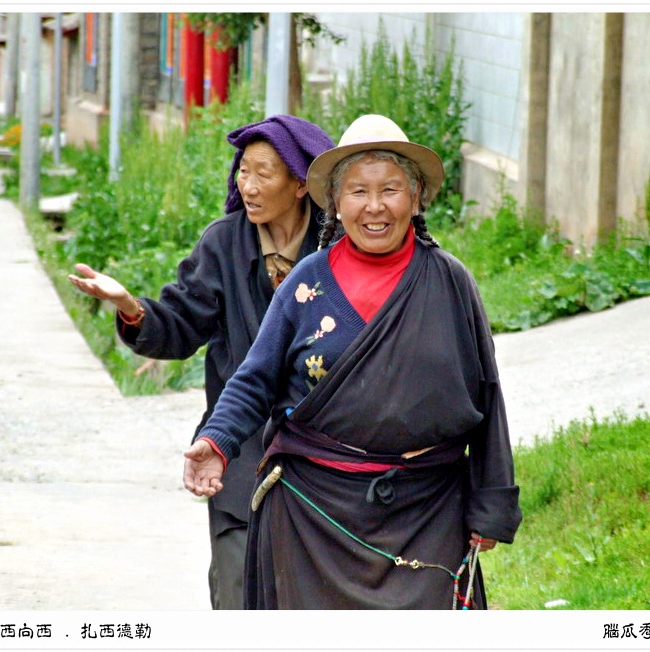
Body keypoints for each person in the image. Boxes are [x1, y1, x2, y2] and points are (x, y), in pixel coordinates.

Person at [182, 114, 522, 609]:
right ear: (337, 204)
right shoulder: (307, 282)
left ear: (416, 199)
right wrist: (217, 440)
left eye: (391, 189)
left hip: (428, 513)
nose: (375, 206)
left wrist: (491, 503)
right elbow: (255, 378)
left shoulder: (449, 282)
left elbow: (486, 395)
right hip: (314, 514)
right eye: (358, 191)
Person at [67, 115, 335, 609]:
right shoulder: (225, 243)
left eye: (264, 174)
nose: (248, 185)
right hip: (239, 451)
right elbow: (181, 324)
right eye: (243, 171)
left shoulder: (336, 249)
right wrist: (132, 307)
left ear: (301, 184)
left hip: (324, 460)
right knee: (237, 593)